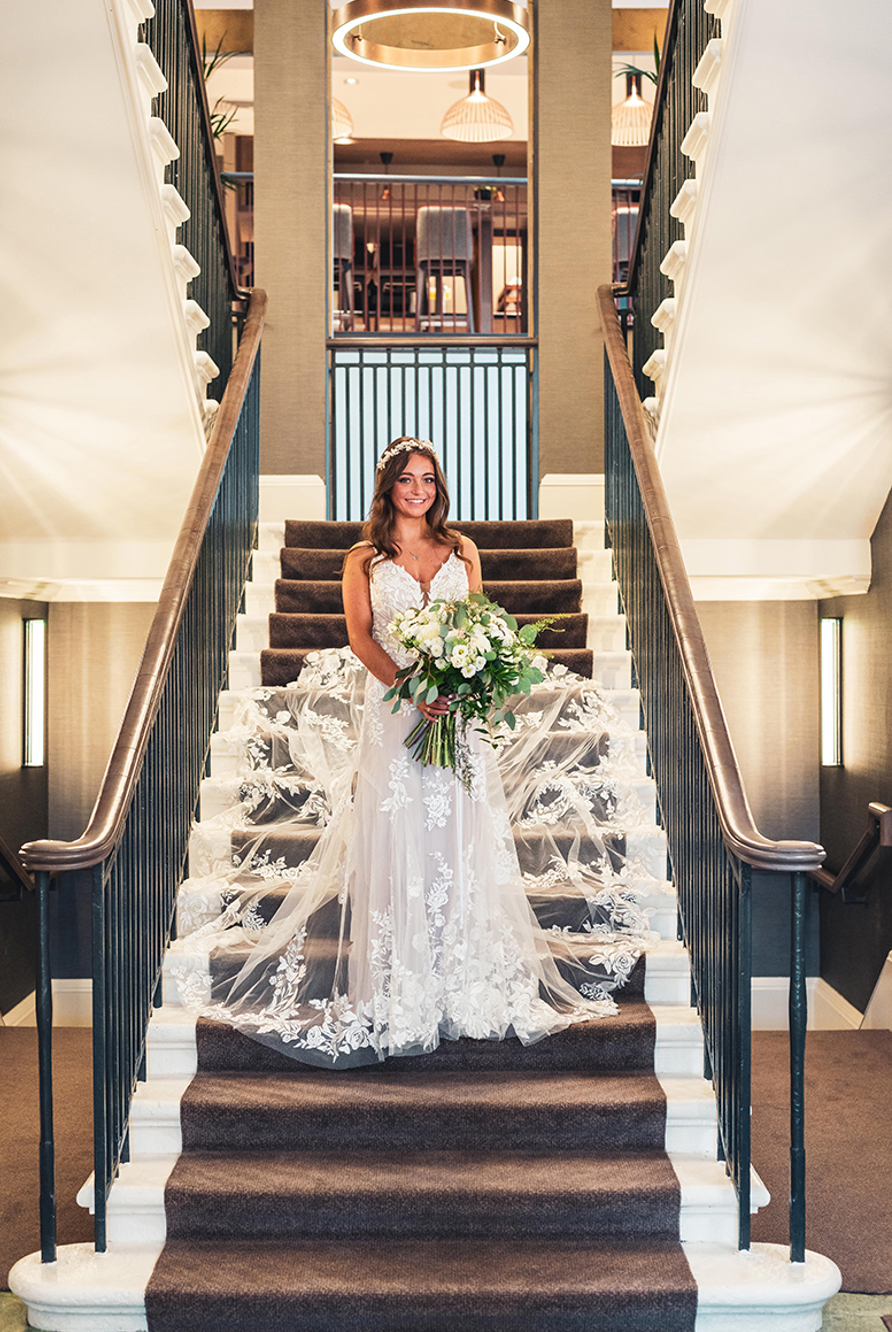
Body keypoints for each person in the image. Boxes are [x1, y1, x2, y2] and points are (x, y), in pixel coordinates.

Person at [176, 436, 653, 1068]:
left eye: (428, 478)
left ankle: (462, 977)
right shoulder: (363, 558)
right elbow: (359, 634)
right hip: (396, 712)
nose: (419, 489)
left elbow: (477, 621)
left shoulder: (462, 549)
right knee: (400, 835)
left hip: (459, 715)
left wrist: (466, 682)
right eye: (407, 479)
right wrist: (408, 688)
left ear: (439, 486)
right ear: (388, 488)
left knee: (458, 834)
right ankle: (400, 986)